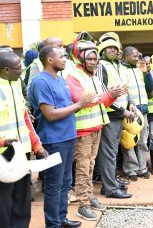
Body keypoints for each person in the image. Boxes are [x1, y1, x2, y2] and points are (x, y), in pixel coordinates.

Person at [29, 46, 97, 228]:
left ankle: (61, 218)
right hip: (53, 141)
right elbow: (50, 114)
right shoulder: (41, 82)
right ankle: (53, 224)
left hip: (68, 137)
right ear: (49, 60)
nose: (65, 59)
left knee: (66, 182)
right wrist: (80, 104)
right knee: (54, 184)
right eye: (61, 56)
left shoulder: (60, 79)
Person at [66, 38, 127, 220]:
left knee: (91, 165)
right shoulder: (74, 76)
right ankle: (83, 205)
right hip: (83, 130)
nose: (94, 62)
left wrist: (113, 95)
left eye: (95, 59)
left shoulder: (93, 77)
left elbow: (102, 102)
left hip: (96, 127)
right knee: (83, 168)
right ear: (81, 59)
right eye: (90, 59)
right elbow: (83, 100)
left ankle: (89, 197)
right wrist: (108, 94)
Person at [0, 51, 48, 228]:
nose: (22, 71)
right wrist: (3, 142)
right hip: (3, 153)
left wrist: (37, 145)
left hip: (21, 151)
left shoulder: (16, 85)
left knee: (22, 198)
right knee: (3, 201)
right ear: (6, 70)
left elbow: (25, 120)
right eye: (18, 68)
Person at [96, 33, 134, 199]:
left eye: (114, 48)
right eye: (108, 48)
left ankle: (109, 183)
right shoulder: (101, 65)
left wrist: (130, 103)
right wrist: (122, 110)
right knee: (109, 153)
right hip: (110, 114)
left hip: (119, 114)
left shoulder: (117, 65)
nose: (112, 50)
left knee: (113, 152)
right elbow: (103, 92)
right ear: (102, 50)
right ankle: (110, 188)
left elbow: (124, 89)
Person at [120, 46, 153, 180]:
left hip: (143, 110)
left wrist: (146, 74)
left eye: (138, 56)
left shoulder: (140, 69)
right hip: (129, 111)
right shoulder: (120, 70)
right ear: (126, 56)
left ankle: (142, 168)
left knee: (143, 142)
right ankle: (131, 170)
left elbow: (150, 88)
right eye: (134, 56)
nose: (137, 58)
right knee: (129, 141)